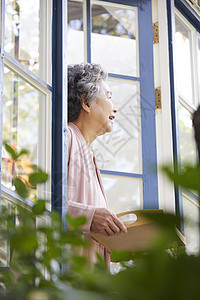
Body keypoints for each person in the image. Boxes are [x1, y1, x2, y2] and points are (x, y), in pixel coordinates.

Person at [67, 63, 127, 266]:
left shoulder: (88, 155)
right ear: (86, 102)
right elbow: (37, 202)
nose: (115, 108)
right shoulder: (65, 137)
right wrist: (90, 217)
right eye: (109, 97)